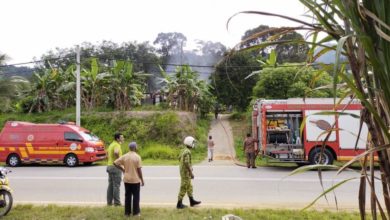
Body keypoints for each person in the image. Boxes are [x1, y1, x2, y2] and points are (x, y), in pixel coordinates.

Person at [114, 142, 144, 217]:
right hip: (135, 180)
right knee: (136, 196)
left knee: (127, 196)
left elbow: (115, 163)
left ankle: (127, 213)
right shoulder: (137, 157)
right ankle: (136, 213)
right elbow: (139, 170)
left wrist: (123, 169)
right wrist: (142, 180)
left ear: (129, 148)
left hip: (127, 179)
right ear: (135, 148)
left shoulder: (125, 156)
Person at [176, 136, 201, 209]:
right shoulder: (187, 152)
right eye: (193, 142)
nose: (194, 144)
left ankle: (192, 201)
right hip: (185, 173)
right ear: (189, 143)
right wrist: (191, 172)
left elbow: (179, 158)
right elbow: (186, 163)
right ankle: (179, 204)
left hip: (184, 172)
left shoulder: (184, 150)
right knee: (184, 187)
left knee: (189, 186)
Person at [106, 132, 124, 206]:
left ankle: (109, 203)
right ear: (117, 139)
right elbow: (116, 152)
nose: (123, 139)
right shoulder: (117, 144)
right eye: (121, 137)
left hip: (109, 166)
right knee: (116, 185)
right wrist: (119, 161)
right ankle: (117, 203)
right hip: (115, 167)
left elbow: (107, 153)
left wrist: (111, 160)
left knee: (110, 185)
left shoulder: (111, 144)